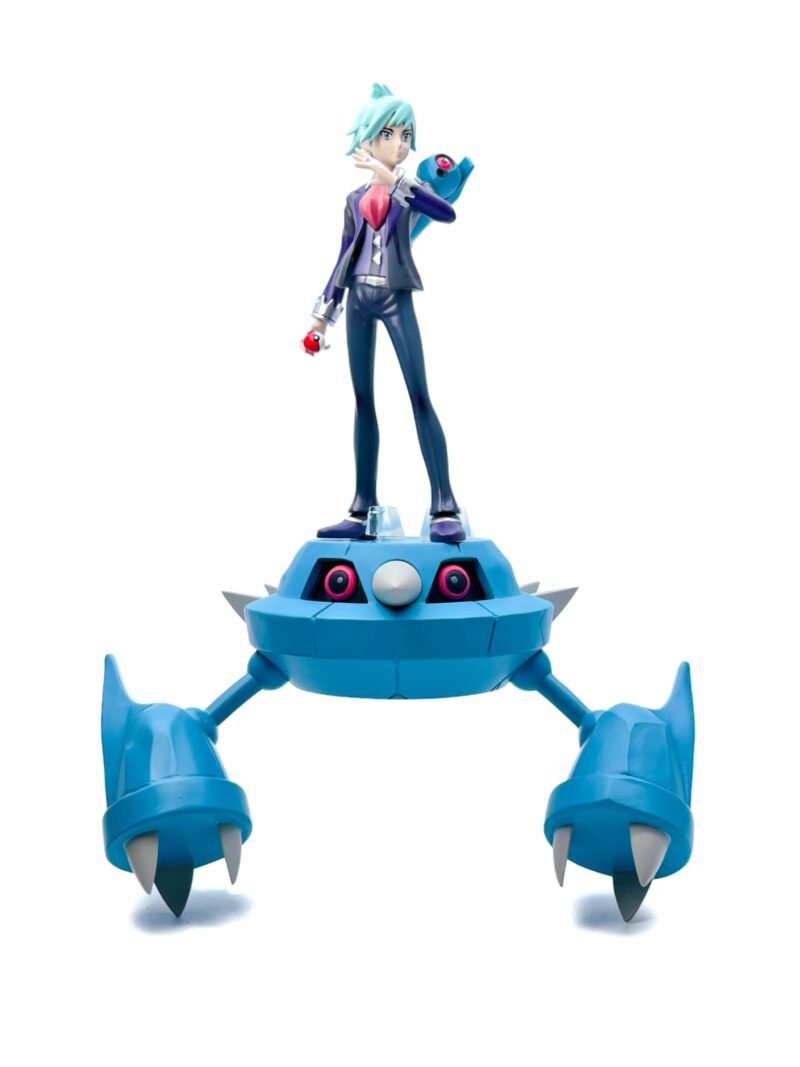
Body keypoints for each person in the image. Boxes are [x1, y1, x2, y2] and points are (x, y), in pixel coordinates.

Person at [303, 83, 465, 544]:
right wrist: (323, 315)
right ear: (368, 139)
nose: (400, 145)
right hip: (358, 298)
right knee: (362, 399)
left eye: (406, 135)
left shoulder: (410, 191)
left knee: (419, 394)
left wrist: (394, 182)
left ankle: (444, 505)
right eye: (389, 135)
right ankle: (361, 507)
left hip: (396, 297)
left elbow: (446, 213)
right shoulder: (353, 201)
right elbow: (343, 256)